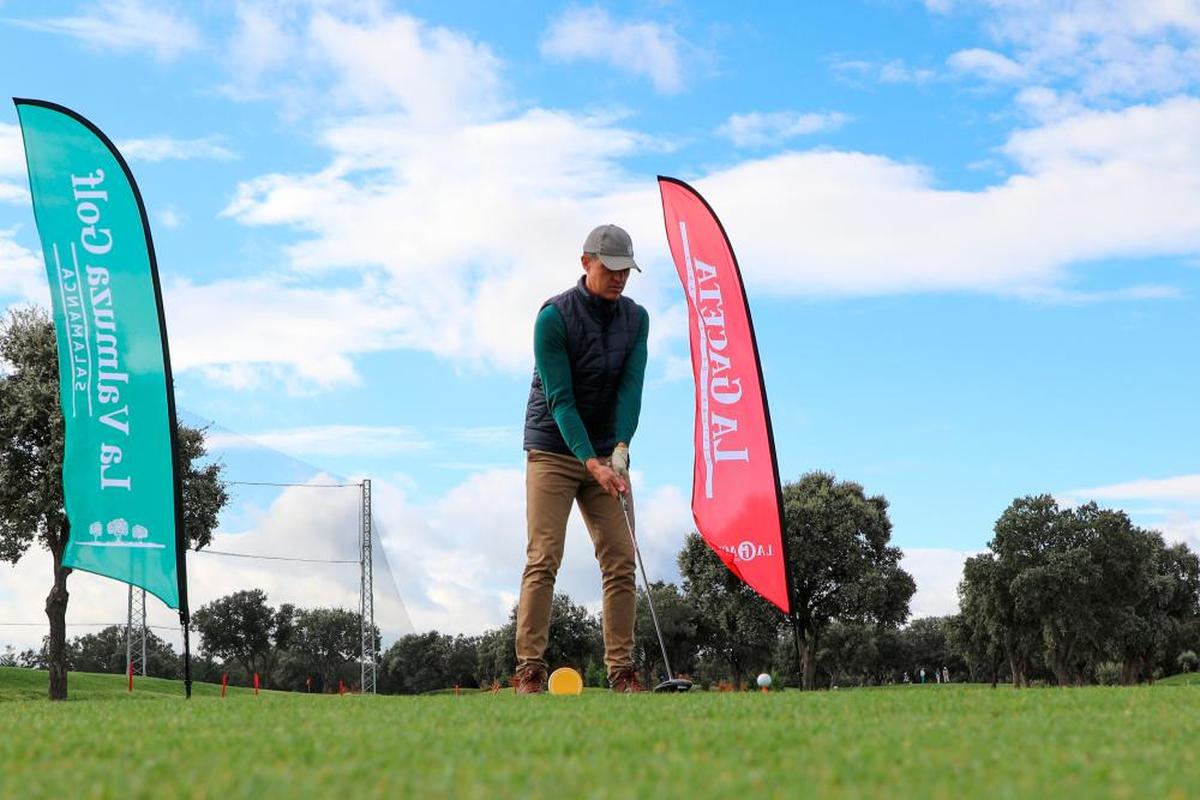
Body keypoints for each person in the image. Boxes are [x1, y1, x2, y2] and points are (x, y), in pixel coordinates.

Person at [513, 224, 649, 694]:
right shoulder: (553, 317)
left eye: (625, 270)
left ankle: (622, 670)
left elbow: (631, 388)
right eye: (610, 269)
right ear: (585, 261)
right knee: (544, 557)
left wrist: (621, 449)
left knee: (620, 559)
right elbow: (561, 400)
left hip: (608, 451)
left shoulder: (637, 319)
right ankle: (529, 668)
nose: (619, 279)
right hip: (553, 447)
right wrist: (589, 462)